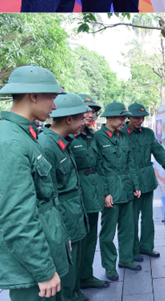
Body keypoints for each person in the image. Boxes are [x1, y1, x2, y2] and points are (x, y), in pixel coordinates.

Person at [0, 65, 68, 301]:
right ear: (34, 96)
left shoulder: (22, 133)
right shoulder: (10, 141)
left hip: (40, 252)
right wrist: (44, 271)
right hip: (30, 267)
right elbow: (16, 216)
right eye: (51, 98)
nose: (54, 106)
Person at [39, 94, 90, 301]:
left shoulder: (63, 142)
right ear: (69, 119)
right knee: (65, 276)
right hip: (65, 220)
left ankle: (74, 294)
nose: (84, 123)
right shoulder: (46, 145)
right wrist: (62, 233)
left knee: (73, 270)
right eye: (81, 119)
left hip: (74, 215)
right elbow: (49, 196)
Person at [94, 102, 142, 281]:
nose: (124, 121)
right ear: (110, 117)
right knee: (108, 233)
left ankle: (126, 259)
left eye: (125, 118)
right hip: (111, 192)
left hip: (127, 189)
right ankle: (109, 266)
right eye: (121, 118)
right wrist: (105, 193)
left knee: (128, 228)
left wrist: (136, 185)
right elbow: (98, 168)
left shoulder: (124, 136)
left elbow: (131, 163)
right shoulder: (98, 138)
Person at [125, 103, 165, 261]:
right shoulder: (121, 133)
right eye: (136, 117)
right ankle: (133, 250)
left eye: (142, 117)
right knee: (132, 219)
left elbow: (158, 150)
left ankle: (147, 246)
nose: (140, 120)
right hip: (130, 182)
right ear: (128, 117)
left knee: (148, 217)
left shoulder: (148, 133)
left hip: (147, 180)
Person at [71, 95, 111, 293]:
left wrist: (105, 192)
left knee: (90, 237)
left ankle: (86, 275)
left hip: (93, 192)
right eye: (86, 110)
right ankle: (73, 284)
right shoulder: (68, 137)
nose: (90, 114)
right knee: (76, 240)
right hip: (75, 194)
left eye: (93, 111)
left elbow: (100, 165)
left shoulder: (92, 136)